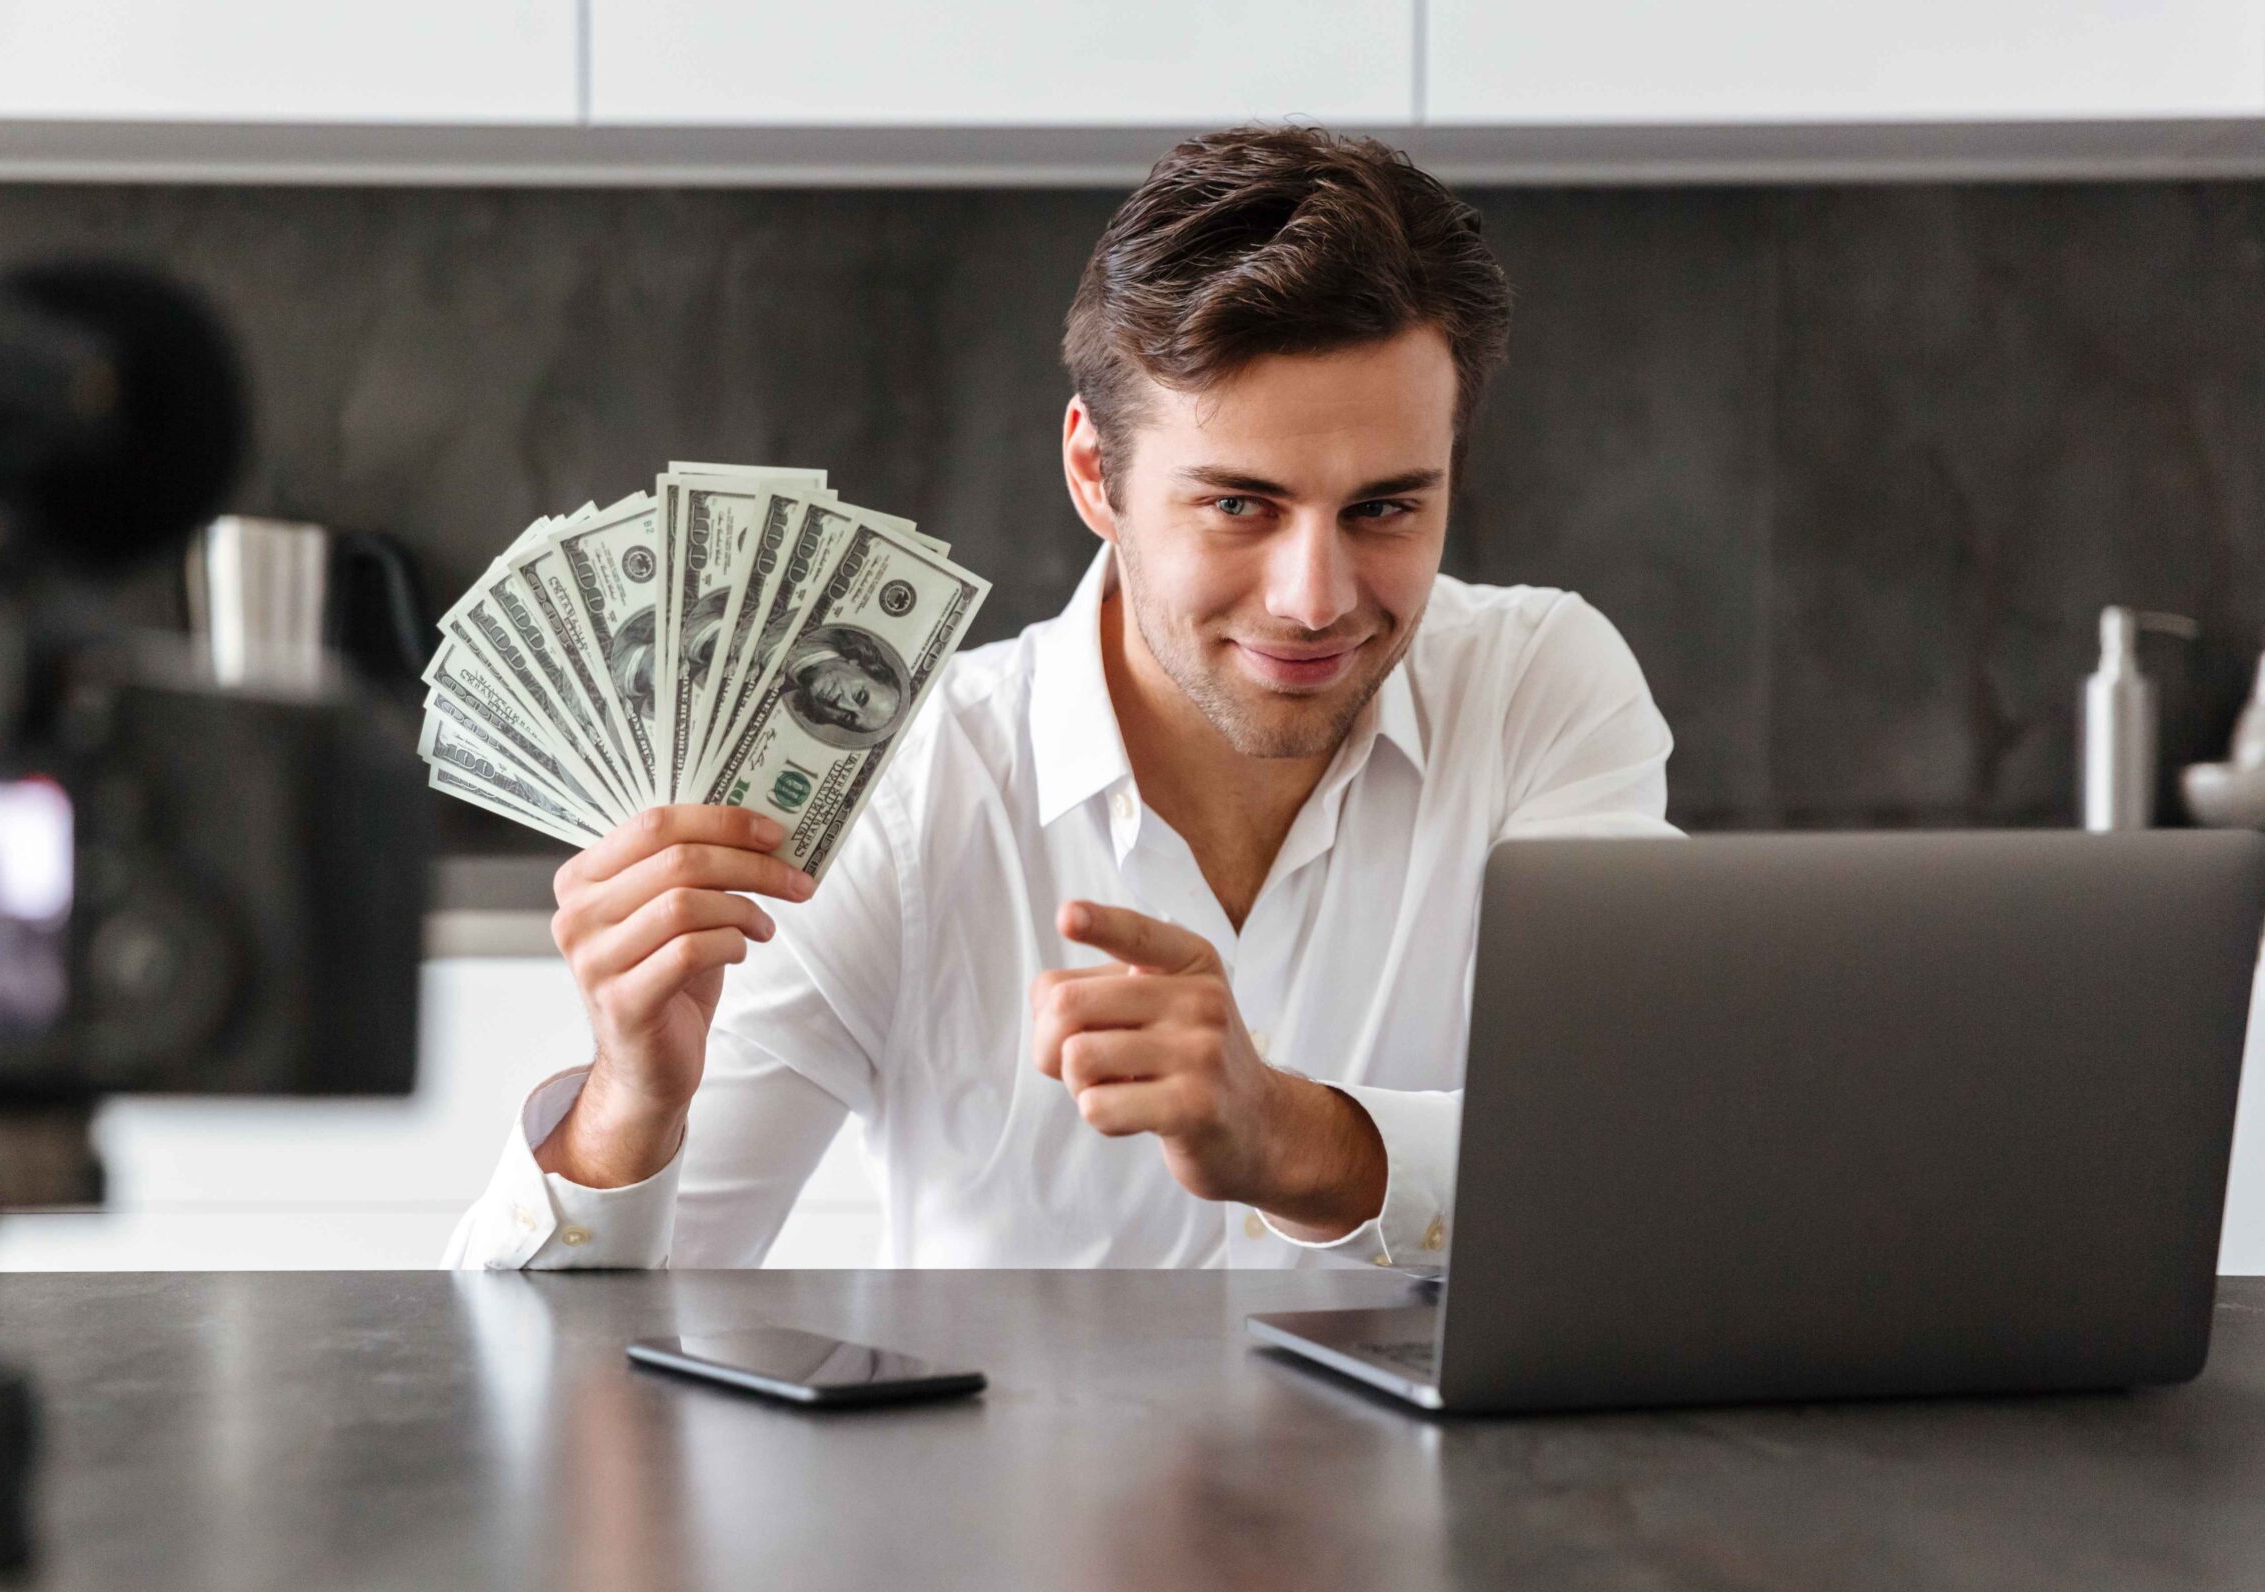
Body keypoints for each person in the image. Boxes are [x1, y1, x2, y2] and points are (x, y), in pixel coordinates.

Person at [446, 125, 1675, 1271]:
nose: (1314, 597)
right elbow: (543, 1374)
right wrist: (631, 1100)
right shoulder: (896, 785)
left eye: (1386, 507)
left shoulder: (1539, 691)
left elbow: (1647, 1170)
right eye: (1238, 505)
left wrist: (1296, 1140)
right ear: (1096, 471)